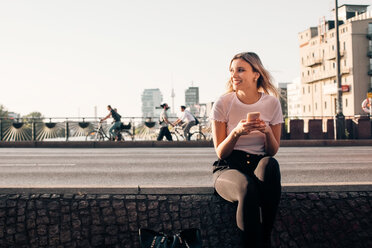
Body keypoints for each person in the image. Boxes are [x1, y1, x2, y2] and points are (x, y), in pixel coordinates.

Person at [210, 52, 283, 247]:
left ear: (256, 74)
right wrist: (236, 133)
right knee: (247, 188)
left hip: (258, 164)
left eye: (240, 70)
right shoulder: (223, 103)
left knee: (271, 164)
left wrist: (267, 131)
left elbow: (273, 150)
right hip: (229, 167)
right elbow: (221, 153)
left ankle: (264, 240)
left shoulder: (272, 103)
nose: (234, 75)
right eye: (232, 71)